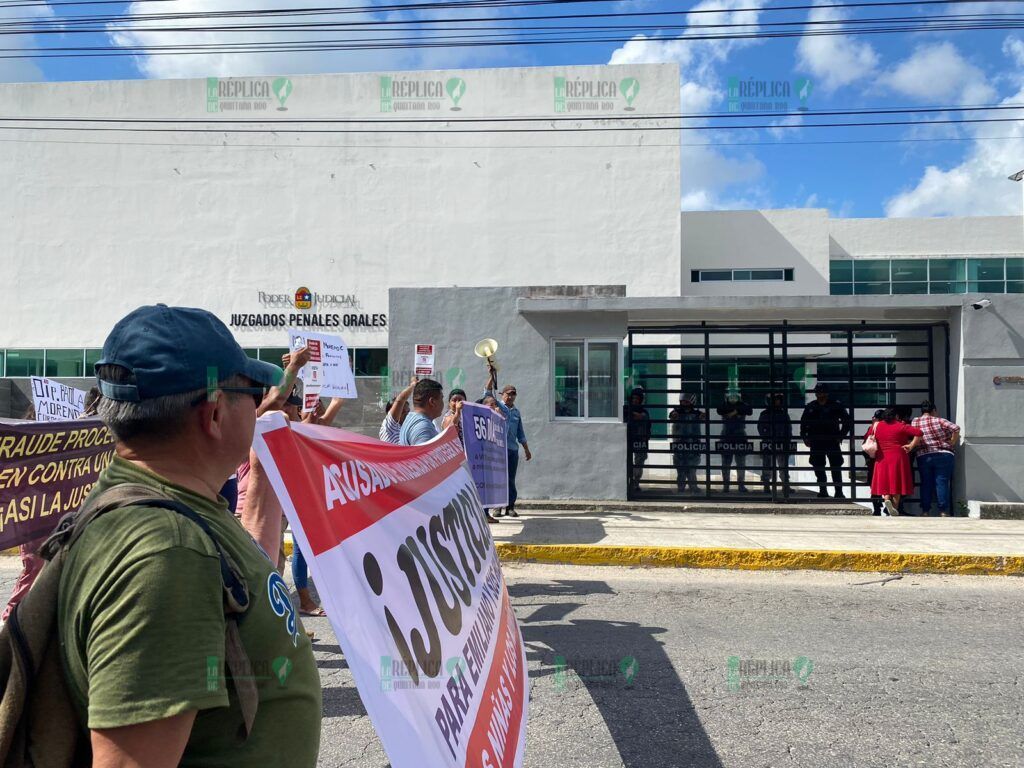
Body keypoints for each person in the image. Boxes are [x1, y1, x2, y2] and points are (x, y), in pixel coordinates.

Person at [60, 304, 321, 766]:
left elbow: (239, 579)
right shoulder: (167, 553)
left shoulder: (178, 503)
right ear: (215, 414)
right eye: (252, 392)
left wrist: (263, 475)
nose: (262, 403)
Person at [483, 367, 532, 518]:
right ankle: (497, 507)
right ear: (502, 395)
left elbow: (520, 433)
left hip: (511, 450)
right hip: (497, 449)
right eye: (508, 394)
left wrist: (526, 449)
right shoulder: (497, 406)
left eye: (513, 394)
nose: (510, 397)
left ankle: (510, 507)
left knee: (510, 479)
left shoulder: (516, 413)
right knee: (498, 479)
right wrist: (491, 375)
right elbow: (486, 392)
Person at [800, 383, 853, 499]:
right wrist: (805, 437)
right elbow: (803, 424)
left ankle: (838, 491)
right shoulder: (811, 407)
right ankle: (823, 490)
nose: (819, 394)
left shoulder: (835, 405)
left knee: (836, 467)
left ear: (827, 393)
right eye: (818, 392)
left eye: (821, 392)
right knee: (818, 467)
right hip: (816, 442)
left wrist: (841, 436)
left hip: (832, 441)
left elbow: (847, 422)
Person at [870, 407, 924, 516]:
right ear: (897, 416)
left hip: (882, 458)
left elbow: (869, 436)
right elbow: (919, 433)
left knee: (885, 481)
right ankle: (894, 508)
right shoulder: (901, 426)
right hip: (898, 457)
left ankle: (886, 500)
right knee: (897, 484)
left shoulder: (877, 425)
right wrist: (911, 445)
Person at [912, 400, 961, 517]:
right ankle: (943, 511)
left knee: (926, 483)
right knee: (942, 482)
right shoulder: (939, 420)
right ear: (933, 410)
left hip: (923, 455)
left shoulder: (915, 421)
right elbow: (956, 428)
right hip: (943, 454)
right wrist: (952, 442)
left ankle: (925, 511)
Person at [716, 391, 753, 493]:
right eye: (730, 397)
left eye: (734, 397)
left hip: (739, 435)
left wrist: (735, 411)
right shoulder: (724, 406)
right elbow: (719, 409)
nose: (732, 399)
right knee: (726, 463)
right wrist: (735, 411)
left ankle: (741, 485)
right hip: (727, 436)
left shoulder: (743, 406)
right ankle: (726, 485)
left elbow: (749, 410)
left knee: (740, 463)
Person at [757, 393, 792, 494]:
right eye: (775, 400)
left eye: (778, 400)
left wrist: (787, 441)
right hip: (769, 443)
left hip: (781, 442)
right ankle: (767, 486)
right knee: (767, 465)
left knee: (783, 466)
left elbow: (788, 429)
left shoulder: (783, 413)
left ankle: (785, 485)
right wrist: (766, 438)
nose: (777, 402)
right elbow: (760, 428)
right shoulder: (765, 414)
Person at [668, 393, 703, 493]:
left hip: (693, 444)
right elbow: (672, 416)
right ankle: (681, 488)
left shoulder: (696, 413)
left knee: (692, 468)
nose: (684, 403)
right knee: (681, 468)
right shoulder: (676, 412)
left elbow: (703, 417)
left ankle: (693, 487)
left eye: (686, 401)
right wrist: (674, 415)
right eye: (682, 401)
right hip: (680, 444)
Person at [399, 378, 445, 446]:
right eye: (441, 398)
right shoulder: (423, 427)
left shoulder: (410, 418)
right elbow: (424, 456)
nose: (443, 403)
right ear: (432, 402)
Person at [625, 388, 651, 494]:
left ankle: (635, 484)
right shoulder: (627, 409)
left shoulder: (644, 412)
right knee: (628, 463)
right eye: (633, 398)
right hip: (630, 439)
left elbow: (643, 418)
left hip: (640, 440)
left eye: (637, 398)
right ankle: (630, 483)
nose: (635, 400)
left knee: (639, 463)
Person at [862, 409, 886, 516]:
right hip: (885, 460)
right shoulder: (887, 427)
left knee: (874, 486)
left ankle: (877, 509)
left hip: (873, 461)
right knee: (888, 484)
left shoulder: (872, 428)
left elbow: (865, 443)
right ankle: (889, 505)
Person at [380, 376, 417, 444]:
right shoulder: (389, 426)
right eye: (403, 412)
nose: (407, 415)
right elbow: (400, 400)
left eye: (408, 411)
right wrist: (413, 384)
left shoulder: (406, 428)